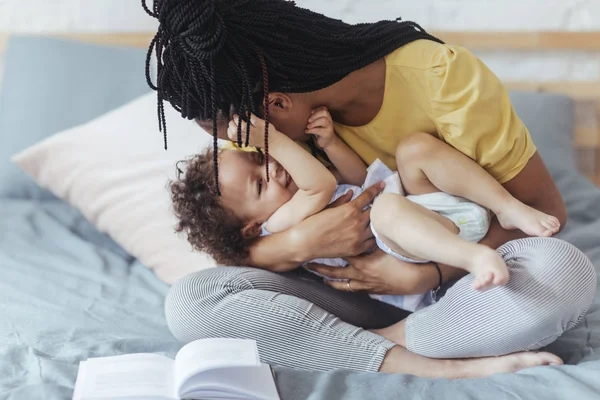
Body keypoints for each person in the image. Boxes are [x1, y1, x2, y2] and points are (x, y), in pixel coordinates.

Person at [143, 0, 596, 378]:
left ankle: (363, 348)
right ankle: (400, 353)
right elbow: (233, 243)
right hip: (350, 296)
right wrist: (300, 243)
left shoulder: (444, 82)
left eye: (248, 137)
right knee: (191, 302)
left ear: (275, 105)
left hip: (464, 284)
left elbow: (543, 212)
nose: (253, 152)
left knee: (565, 271)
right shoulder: (269, 138)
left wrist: (426, 274)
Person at [171, 109, 561, 315]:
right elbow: (321, 185)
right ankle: (476, 256)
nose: (271, 167)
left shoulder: (289, 196)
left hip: (431, 210)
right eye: (260, 183)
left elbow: (364, 179)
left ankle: (506, 206)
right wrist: (267, 139)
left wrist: (332, 143)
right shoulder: (279, 224)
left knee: (414, 149)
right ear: (252, 227)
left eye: (259, 160)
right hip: (415, 248)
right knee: (388, 209)